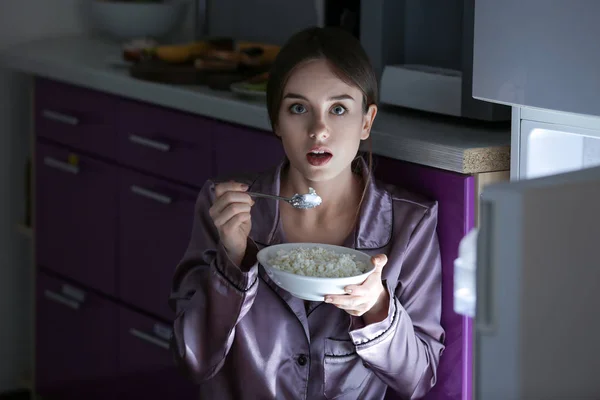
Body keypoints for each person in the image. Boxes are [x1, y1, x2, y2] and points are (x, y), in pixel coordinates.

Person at [168, 26, 445, 400]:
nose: (319, 130)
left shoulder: (411, 225)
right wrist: (232, 262)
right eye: (298, 108)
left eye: (339, 109)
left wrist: (377, 308)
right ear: (276, 122)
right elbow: (193, 362)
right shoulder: (224, 209)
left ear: (366, 121)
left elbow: (419, 378)